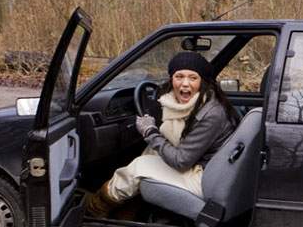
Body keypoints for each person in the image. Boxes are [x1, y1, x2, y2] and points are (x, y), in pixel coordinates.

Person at [85, 51, 238, 217]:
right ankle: (129, 210)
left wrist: (150, 132)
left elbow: (181, 161)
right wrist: (154, 136)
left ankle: (94, 208)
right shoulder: (195, 103)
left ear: (203, 82)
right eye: (179, 76)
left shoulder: (211, 113)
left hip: (204, 178)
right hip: (205, 168)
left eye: (192, 78)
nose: (185, 84)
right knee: (151, 151)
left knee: (137, 167)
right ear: (171, 79)